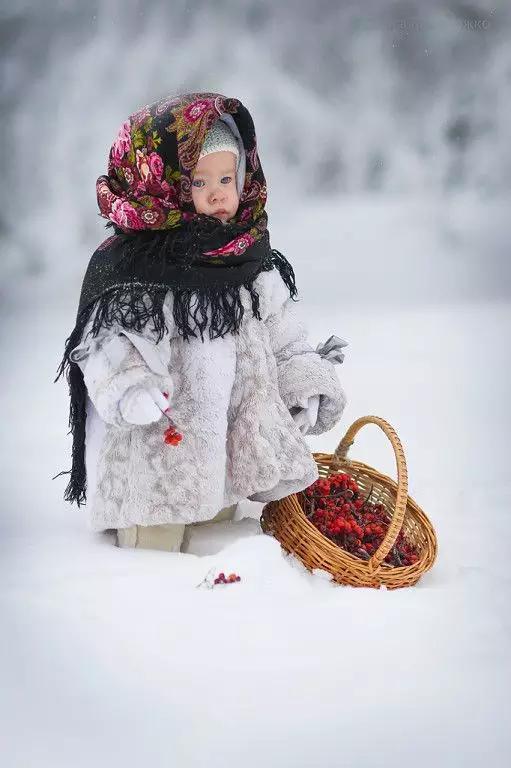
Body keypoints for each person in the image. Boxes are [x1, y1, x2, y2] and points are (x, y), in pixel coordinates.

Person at [56, 92, 347, 553]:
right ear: (161, 184)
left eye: (227, 178)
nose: (218, 193)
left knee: (225, 542)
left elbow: (284, 338)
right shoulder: (138, 270)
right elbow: (109, 342)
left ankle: (223, 549)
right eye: (198, 181)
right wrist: (131, 385)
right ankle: (147, 553)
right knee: (156, 555)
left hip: (230, 457)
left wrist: (302, 385)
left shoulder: (250, 262)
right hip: (157, 454)